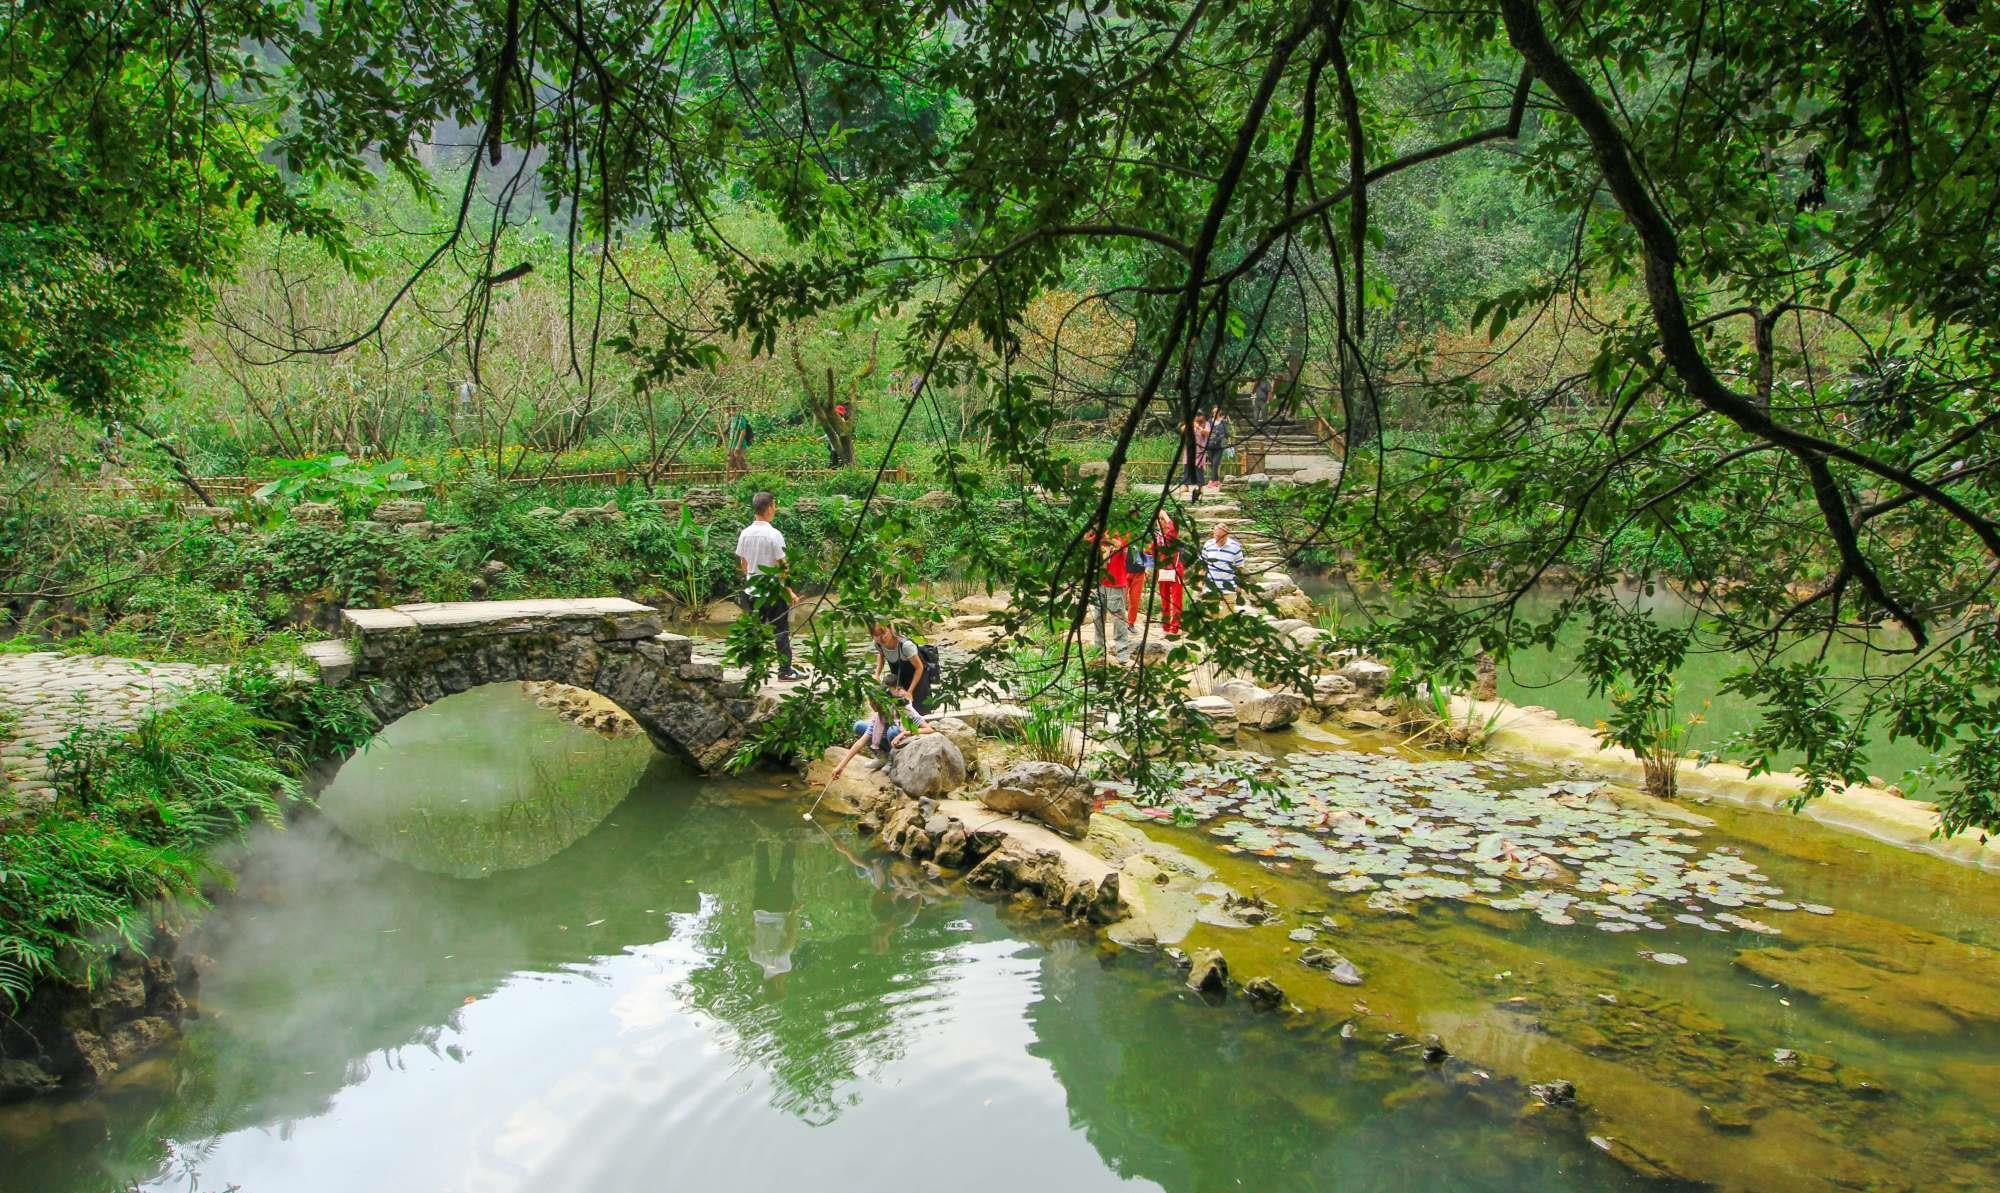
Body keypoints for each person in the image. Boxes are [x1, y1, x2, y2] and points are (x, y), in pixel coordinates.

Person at [734, 491, 800, 681]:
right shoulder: (774, 535)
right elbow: (782, 566)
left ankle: (756, 670)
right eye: (774, 506)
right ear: (769, 508)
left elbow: (743, 563)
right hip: (773, 593)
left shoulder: (745, 533)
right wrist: (790, 591)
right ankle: (785, 671)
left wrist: (751, 578)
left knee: (755, 631)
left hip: (752, 592)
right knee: (781, 630)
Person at [829, 687, 935, 779]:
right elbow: (860, 742)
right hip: (888, 742)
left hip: (901, 744)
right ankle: (882, 757)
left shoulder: (904, 710)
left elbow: (929, 729)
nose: (870, 704)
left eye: (871, 701)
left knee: (893, 731)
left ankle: (893, 760)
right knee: (859, 726)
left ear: (877, 703)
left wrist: (904, 733)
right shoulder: (878, 716)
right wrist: (841, 766)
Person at [750, 839, 800, 982]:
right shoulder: (755, 958)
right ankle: (761, 838)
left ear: (778, 985)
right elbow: (751, 932)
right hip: (760, 909)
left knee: (786, 871)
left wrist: (794, 913)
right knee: (762, 871)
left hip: (780, 909)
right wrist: (754, 914)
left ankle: (789, 838)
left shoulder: (782, 967)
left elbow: (790, 937)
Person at [1083, 524, 1132, 652]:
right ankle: (1098, 647)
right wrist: (1092, 527)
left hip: (1115, 582)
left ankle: (1122, 649)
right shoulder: (1101, 531)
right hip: (1099, 581)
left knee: (1118, 616)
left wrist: (1104, 537)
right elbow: (1085, 542)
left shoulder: (1123, 530)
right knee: (1098, 615)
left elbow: (1119, 544)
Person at [870, 622, 931, 712]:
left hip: (917, 677)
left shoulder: (906, 646)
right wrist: (877, 674)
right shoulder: (878, 644)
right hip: (898, 677)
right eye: (876, 635)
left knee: (919, 708)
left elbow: (919, 668)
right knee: (897, 706)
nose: (881, 637)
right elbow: (881, 655)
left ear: (890, 629)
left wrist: (910, 691)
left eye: (884, 633)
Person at [1151, 509, 1184, 636]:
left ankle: (1175, 628)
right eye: (1159, 520)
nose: (1161, 522)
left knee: (1176, 600)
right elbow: (1153, 553)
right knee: (1164, 600)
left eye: (1163, 520)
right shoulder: (1157, 537)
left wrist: (1164, 514)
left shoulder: (1173, 534)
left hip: (1175, 571)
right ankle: (1165, 627)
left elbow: (1172, 529)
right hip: (1163, 571)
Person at [1201, 520, 1246, 612]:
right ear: (1213, 533)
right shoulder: (1208, 544)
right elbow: (1203, 566)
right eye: (1217, 536)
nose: (1219, 539)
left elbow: (1240, 568)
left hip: (1229, 589)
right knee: (1211, 616)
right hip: (1211, 588)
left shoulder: (1235, 547)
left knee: (1228, 618)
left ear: (1227, 535)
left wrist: (1239, 585)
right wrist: (1199, 584)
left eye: (1222, 536)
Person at [1206, 405, 1231, 488]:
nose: (1215, 413)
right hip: (1210, 445)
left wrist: (1229, 442)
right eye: (1214, 412)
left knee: (1215, 463)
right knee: (1213, 464)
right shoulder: (1209, 422)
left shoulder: (1223, 422)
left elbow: (1227, 433)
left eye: (1217, 412)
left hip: (1219, 446)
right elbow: (1206, 433)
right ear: (1212, 412)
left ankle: (1212, 481)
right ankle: (1216, 481)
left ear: (1219, 412)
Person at [724, 408, 754, 477]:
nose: (731, 412)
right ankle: (736, 478)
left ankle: (749, 476)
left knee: (741, 461)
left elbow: (743, 432)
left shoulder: (740, 418)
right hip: (732, 444)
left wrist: (738, 446)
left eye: (733, 410)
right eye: (730, 410)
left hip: (740, 445)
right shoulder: (732, 419)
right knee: (732, 462)